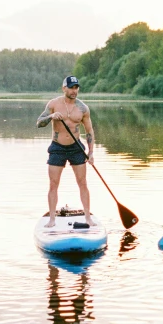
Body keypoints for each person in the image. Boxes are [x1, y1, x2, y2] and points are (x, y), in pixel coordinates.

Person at [37, 75, 95, 228]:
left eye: (76, 87)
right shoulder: (54, 104)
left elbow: (89, 131)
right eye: (71, 87)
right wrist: (51, 116)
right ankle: (52, 220)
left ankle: (88, 218)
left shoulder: (83, 108)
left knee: (82, 183)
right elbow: (39, 123)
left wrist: (91, 153)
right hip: (58, 147)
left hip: (76, 148)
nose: (74, 90)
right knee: (53, 184)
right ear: (64, 88)